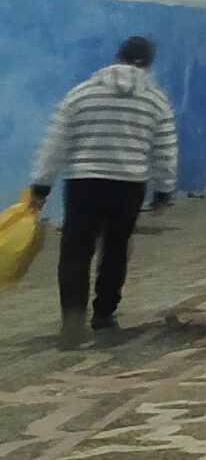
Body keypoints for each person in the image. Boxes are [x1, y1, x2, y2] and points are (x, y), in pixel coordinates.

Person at [30, 35, 178, 348]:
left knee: (75, 252)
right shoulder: (155, 100)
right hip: (128, 186)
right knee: (116, 249)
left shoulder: (80, 94)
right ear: (148, 63)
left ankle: (72, 320)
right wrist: (164, 190)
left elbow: (55, 141)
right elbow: (165, 149)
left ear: (116, 56)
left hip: (84, 184)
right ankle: (104, 315)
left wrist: (41, 185)